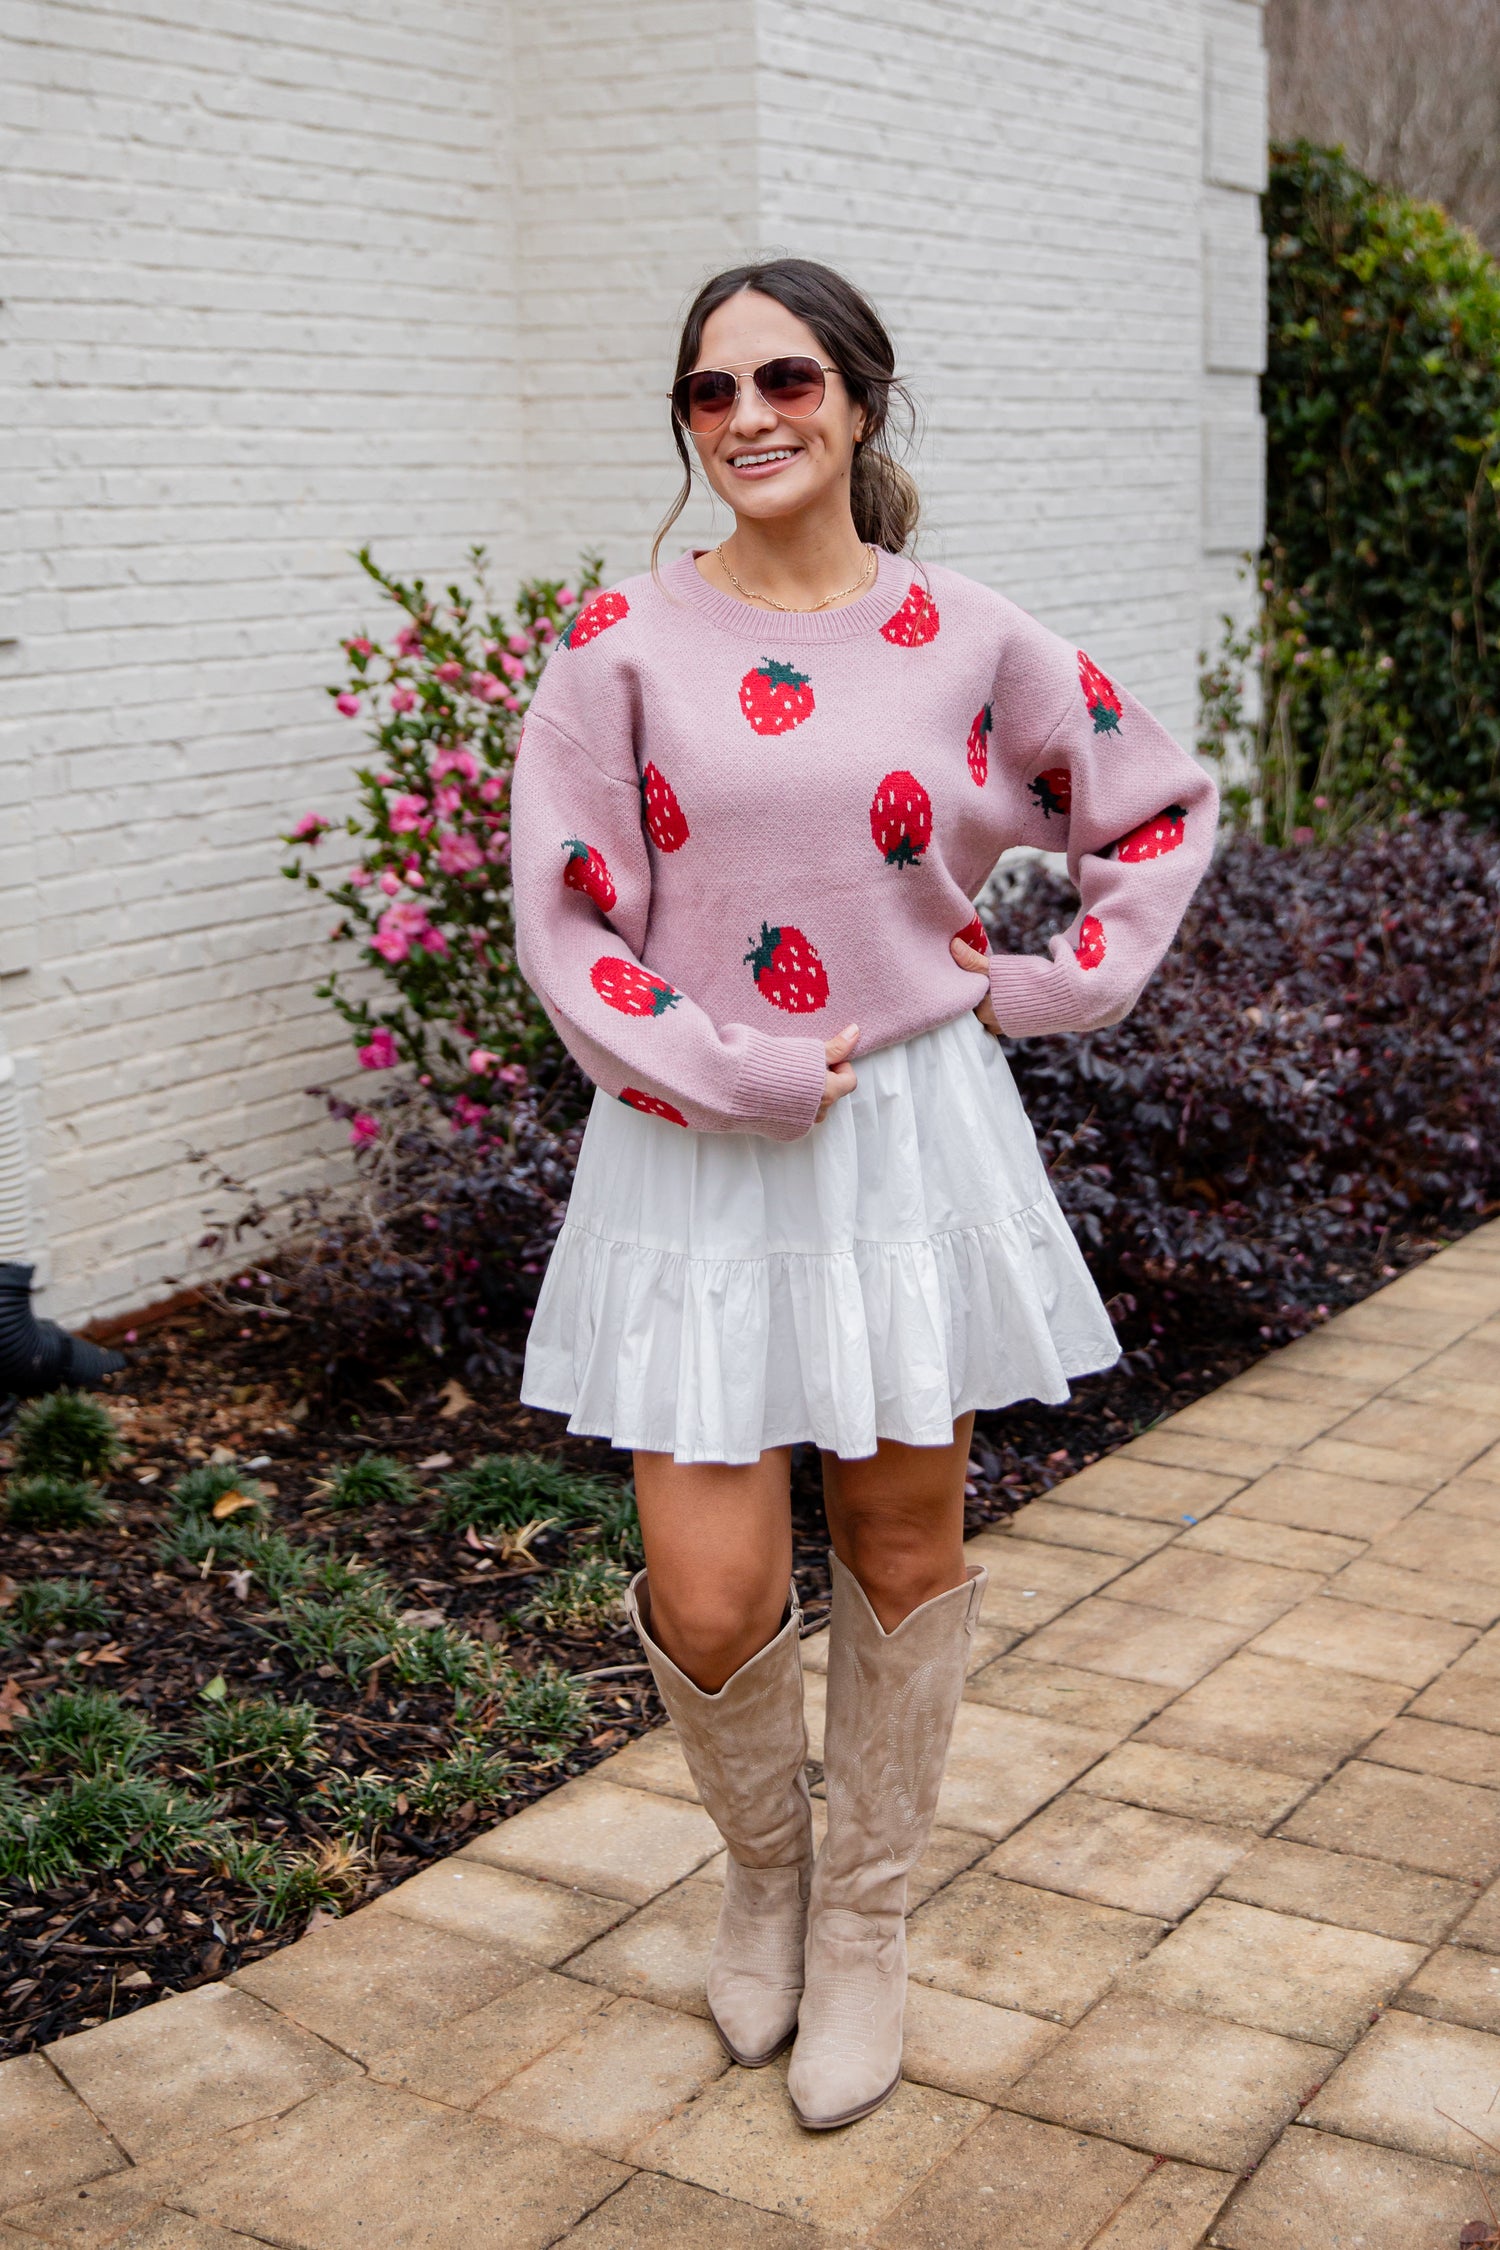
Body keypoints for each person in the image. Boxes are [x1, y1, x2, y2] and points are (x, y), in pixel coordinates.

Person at [510, 258, 1216, 2130]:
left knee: (903, 1547)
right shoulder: (619, 649)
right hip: (692, 1138)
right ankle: (766, 1877)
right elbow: (570, 919)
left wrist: (1053, 978)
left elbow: (1155, 806)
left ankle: (872, 1925)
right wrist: (724, 1061)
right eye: (710, 388)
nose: (747, 414)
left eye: (786, 376)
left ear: (858, 402)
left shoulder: (970, 637)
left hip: (905, 1132)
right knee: (714, 1587)